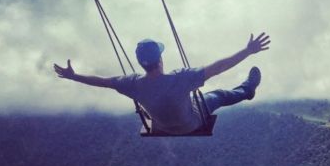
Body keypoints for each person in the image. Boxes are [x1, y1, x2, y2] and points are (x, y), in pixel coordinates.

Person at [54, 32, 271, 134]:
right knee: (219, 95)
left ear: (141, 63)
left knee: (195, 100)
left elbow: (103, 82)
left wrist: (74, 76)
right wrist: (247, 51)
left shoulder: (132, 84)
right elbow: (219, 67)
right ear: (160, 60)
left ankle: (246, 89)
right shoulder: (180, 79)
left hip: (161, 127)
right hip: (192, 124)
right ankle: (247, 90)